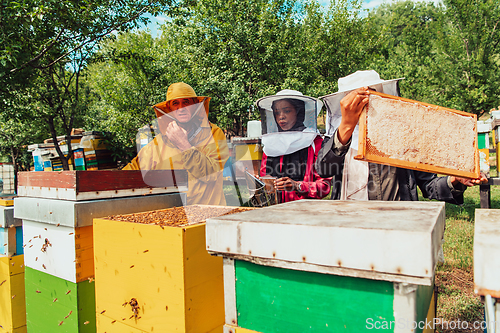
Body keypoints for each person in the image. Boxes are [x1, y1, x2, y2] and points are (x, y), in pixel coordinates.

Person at [315, 70, 486, 203]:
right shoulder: (336, 138)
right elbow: (324, 169)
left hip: (395, 224)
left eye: (369, 97)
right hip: (348, 222)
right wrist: (346, 126)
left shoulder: (404, 139)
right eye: (355, 99)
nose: (363, 104)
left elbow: (430, 186)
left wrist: (455, 180)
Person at [124, 82, 229, 205]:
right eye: (175, 103)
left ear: (195, 105)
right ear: (169, 109)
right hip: (174, 216)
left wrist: (183, 144)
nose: (181, 108)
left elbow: (211, 174)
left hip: (209, 215)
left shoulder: (214, 133)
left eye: (186, 102)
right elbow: (132, 170)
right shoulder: (158, 143)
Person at [256, 90, 331, 203]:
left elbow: (324, 186)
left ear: (299, 112)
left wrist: (297, 186)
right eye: (277, 112)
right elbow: (264, 175)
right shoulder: (271, 143)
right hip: (275, 211)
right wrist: (262, 182)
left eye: (287, 111)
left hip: (306, 212)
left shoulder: (314, 141)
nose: (281, 117)